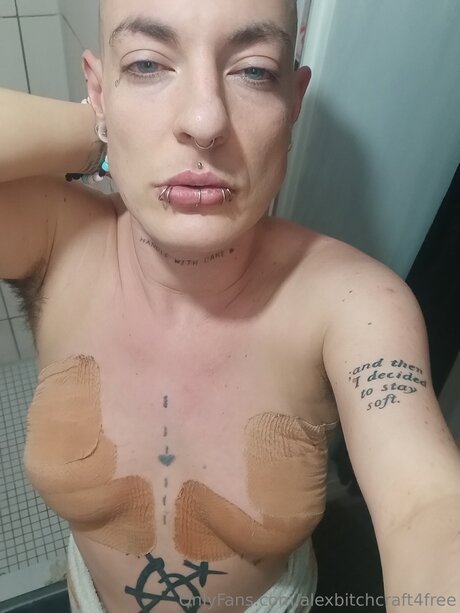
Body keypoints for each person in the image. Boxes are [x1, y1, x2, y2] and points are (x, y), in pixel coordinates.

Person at [1, 0, 459, 611]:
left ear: (293, 101)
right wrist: (96, 126)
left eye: (254, 71)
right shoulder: (56, 242)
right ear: (99, 87)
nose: (204, 120)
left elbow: (426, 506)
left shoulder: (354, 303)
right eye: (146, 65)